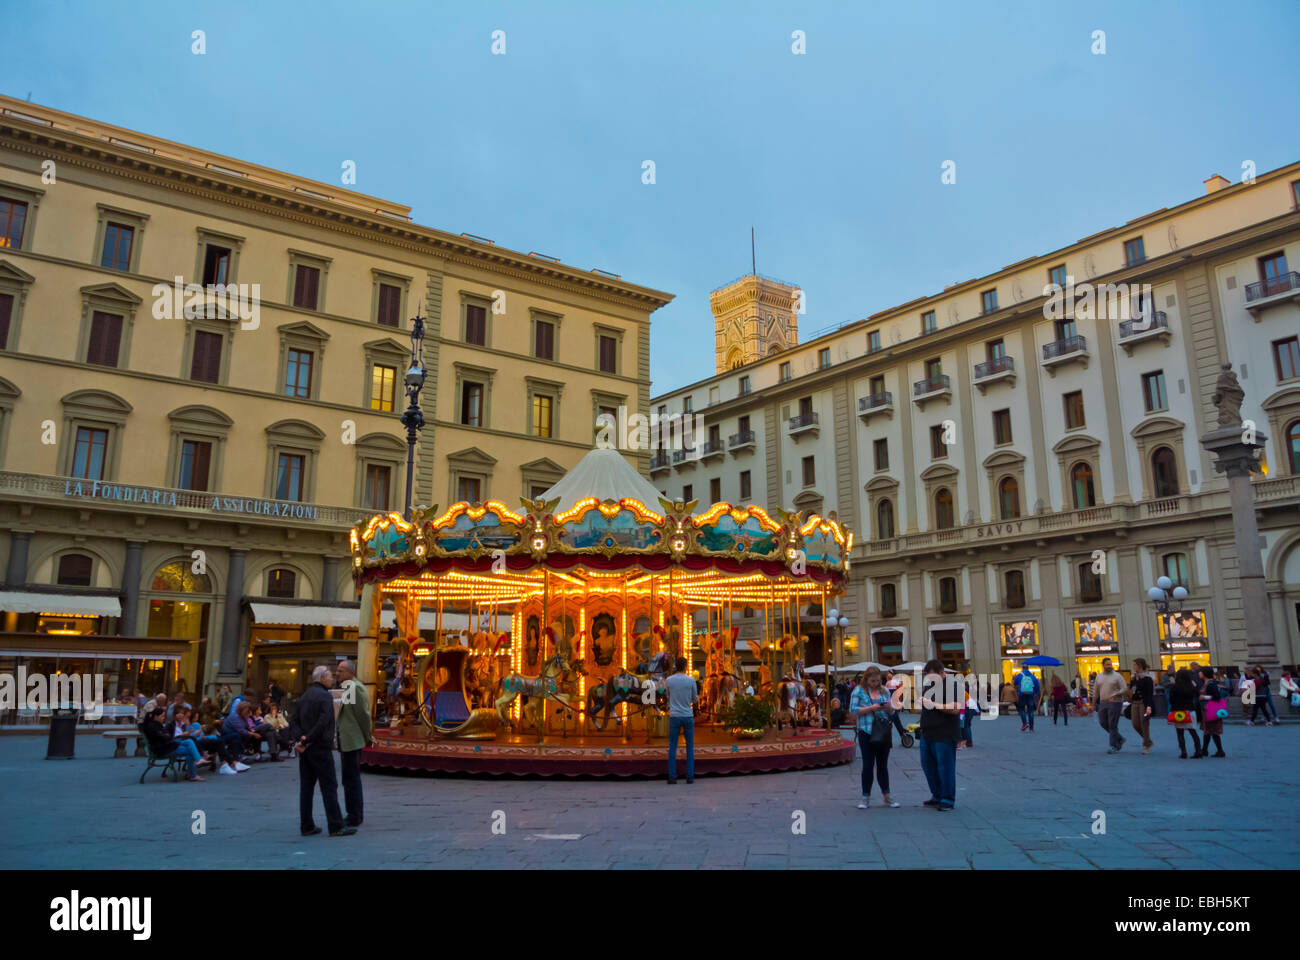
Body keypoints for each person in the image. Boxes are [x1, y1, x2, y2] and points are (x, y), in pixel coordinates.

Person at [294, 665, 354, 837]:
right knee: (329, 786)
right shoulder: (324, 697)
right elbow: (323, 722)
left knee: (306, 788)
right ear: (321, 678)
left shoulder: (305, 696)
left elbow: (294, 720)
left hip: (306, 750)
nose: (332, 679)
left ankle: (306, 825)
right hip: (320, 747)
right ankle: (335, 826)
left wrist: (301, 739)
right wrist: (308, 739)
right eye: (329, 676)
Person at [849, 667, 900, 809]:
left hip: (883, 732)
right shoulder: (858, 691)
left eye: (877, 680)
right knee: (868, 765)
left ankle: (887, 796)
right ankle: (865, 797)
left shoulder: (884, 690)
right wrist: (872, 708)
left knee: (883, 765)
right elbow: (853, 710)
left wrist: (889, 708)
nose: (875, 683)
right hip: (866, 731)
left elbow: (892, 712)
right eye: (872, 681)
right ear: (866, 679)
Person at [917, 659, 961, 811]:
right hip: (927, 732)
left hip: (945, 733)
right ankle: (937, 794)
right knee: (927, 765)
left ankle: (947, 799)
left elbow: (955, 708)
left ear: (942, 673)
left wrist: (933, 705)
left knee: (945, 767)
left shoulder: (953, 685)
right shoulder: (928, 685)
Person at [335, 660, 372, 828]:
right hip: (348, 739)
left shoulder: (354, 687)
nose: (337, 674)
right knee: (349, 779)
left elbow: (362, 715)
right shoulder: (349, 687)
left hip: (353, 740)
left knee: (351, 779)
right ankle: (354, 813)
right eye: (337, 670)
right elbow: (347, 713)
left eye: (341, 671)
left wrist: (367, 735)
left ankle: (354, 814)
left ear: (351, 672)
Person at [139, 702, 203, 782]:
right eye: (162, 716)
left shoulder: (157, 724)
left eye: (164, 716)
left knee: (189, 741)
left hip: (168, 745)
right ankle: (194, 772)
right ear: (156, 716)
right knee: (190, 749)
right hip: (162, 749)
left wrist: (167, 736)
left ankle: (197, 763)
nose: (163, 718)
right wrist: (167, 736)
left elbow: (166, 736)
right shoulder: (152, 726)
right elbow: (164, 737)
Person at [665, 656, 698, 784]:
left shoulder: (669, 680)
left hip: (674, 715)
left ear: (675, 666)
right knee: (690, 746)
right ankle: (690, 776)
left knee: (672, 746)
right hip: (687, 715)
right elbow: (695, 699)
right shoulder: (691, 681)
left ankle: (672, 776)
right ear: (685, 667)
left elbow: (667, 695)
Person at [1092, 658, 1127, 754]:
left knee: (1112, 723)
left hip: (1115, 702)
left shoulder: (1117, 676)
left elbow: (1124, 688)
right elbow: (1095, 692)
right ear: (1103, 665)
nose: (1109, 666)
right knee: (1103, 722)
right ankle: (1119, 738)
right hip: (1103, 702)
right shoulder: (1099, 677)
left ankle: (1113, 746)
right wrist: (1093, 704)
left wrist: (1116, 694)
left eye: (1110, 664)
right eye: (1107, 665)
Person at [1168, 669, 1203, 759]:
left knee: (1180, 732)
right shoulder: (1191, 686)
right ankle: (1198, 750)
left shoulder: (1175, 686)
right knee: (1193, 731)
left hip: (1178, 710)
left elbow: (1171, 699)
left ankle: (1183, 751)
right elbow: (1197, 694)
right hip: (1190, 709)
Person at [1198, 667, 1227, 757]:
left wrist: (1204, 697)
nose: (1199, 673)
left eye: (1201, 672)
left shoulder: (1211, 684)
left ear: (1205, 673)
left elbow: (1216, 696)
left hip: (1211, 710)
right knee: (1208, 731)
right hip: (1206, 710)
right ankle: (1205, 750)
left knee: (1212, 731)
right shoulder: (1206, 683)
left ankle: (1219, 750)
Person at [1128, 658, 1154, 755]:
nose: (1133, 666)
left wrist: (1149, 706)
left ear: (1139, 665)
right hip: (1134, 702)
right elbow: (1131, 689)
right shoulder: (1134, 677)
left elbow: (1149, 694)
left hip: (1144, 702)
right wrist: (1132, 681)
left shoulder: (1147, 679)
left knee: (1144, 724)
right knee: (1135, 724)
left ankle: (1145, 745)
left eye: (1135, 665)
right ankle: (1148, 740)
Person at [1014, 663, 1040, 732]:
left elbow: (1015, 683)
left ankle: (1025, 723)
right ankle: (1031, 728)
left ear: (1022, 668)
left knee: (1021, 709)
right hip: (1030, 694)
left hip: (1022, 694)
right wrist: (1035, 692)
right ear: (1028, 668)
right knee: (1030, 710)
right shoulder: (1032, 676)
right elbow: (1037, 686)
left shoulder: (1019, 675)